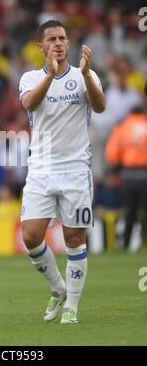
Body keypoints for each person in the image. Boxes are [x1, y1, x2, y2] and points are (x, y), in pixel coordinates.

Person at [19, 20, 105, 324]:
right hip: (41, 169)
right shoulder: (30, 78)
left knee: (74, 236)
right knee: (30, 236)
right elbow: (30, 103)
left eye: (63, 39)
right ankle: (58, 288)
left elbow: (101, 106)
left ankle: (73, 306)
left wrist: (85, 76)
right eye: (52, 39)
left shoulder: (87, 75)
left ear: (68, 44)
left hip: (75, 169)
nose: (58, 43)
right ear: (40, 46)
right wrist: (51, 76)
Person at [105, 105, 147, 250]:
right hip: (145, 174)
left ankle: (126, 244)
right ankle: (144, 242)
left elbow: (112, 154)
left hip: (128, 176)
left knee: (131, 212)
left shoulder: (122, 127)